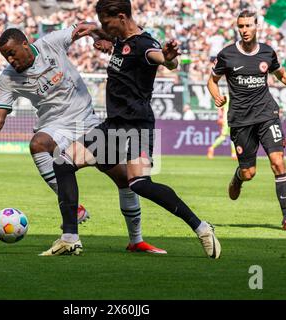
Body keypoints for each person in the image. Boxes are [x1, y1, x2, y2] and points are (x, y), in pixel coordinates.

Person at [0, 27, 166, 254]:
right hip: (55, 128)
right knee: (38, 144)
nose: (11, 60)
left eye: (13, 53)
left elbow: (83, 26)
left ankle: (136, 240)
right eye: (6, 57)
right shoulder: (8, 78)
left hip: (87, 122)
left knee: (125, 178)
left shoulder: (50, 44)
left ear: (25, 44)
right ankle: (75, 211)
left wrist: (97, 37)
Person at [38, 0, 221, 258]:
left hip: (136, 126)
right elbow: (109, 39)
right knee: (63, 162)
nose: (104, 27)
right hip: (113, 125)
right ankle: (70, 238)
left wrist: (168, 60)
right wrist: (95, 33)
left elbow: (162, 59)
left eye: (107, 22)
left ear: (122, 17)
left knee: (140, 184)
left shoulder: (145, 45)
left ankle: (202, 227)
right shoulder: (121, 41)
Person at [207, 10, 286, 232]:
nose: (244, 30)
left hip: (267, 114)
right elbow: (212, 81)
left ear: (256, 27)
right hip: (241, 119)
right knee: (249, 173)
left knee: (278, 161)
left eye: (248, 26)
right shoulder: (226, 55)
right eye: (241, 27)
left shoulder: (267, 52)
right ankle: (238, 177)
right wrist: (216, 95)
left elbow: (280, 73)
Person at [207, 95, 237, 159]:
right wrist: (220, 117)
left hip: (234, 119)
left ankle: (234, 154)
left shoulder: (236, 95)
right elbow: (220, 107)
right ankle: (211, 148)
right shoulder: (226, 96)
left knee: (233, 137)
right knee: (223, 136)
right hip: (226, 120)